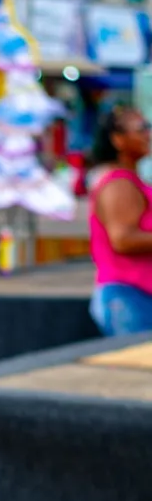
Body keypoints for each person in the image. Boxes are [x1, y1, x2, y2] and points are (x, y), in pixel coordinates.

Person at [88, 106, 152, 336]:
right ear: (117, 139)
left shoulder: (130, 180)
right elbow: (122, 239)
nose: (148, 134)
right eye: (142, 128)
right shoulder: (119, 184)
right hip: (128, 297)